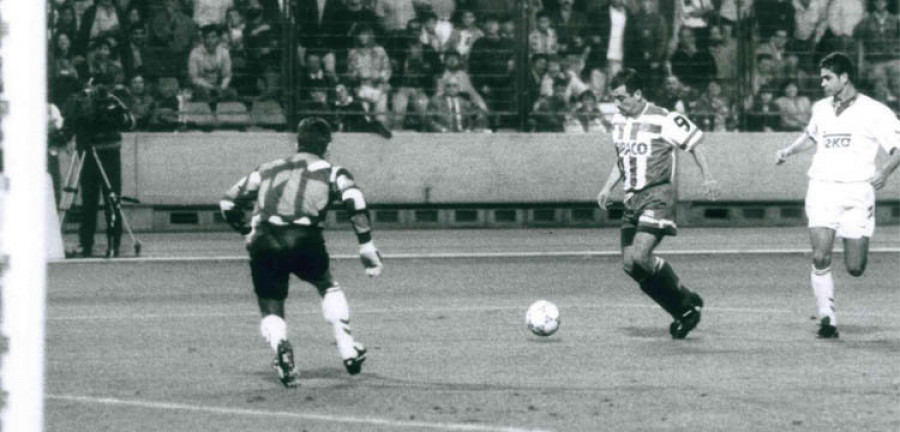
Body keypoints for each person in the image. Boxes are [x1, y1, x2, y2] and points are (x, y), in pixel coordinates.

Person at [219, 117, 384, 388]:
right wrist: (365, 244)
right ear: (328, 147)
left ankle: (281, 347)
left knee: (271, 302)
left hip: (265, 240)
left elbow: (227, 202)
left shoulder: (267, 168)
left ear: (297, 143)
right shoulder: (333, 171)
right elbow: (355, 200)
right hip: (305, 238)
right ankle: (347, 348)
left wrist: (247, 231)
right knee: (327, 285)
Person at [775, 52, 900, 338]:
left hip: (858, 192)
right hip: (822, 188)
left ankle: (852, 254)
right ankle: (827, 317)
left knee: (855, 267)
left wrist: (885, 172)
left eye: (827, 78)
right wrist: (788, 151)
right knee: (820, 255)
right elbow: (811, 136)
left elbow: (897, 147)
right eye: (821, 77)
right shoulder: (820, 108)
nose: (822, 83)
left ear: (845, 78)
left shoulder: (875, 111)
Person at [596, 68, 718, 339]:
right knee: (631, 265)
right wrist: (608, 187)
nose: (617, 104)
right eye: (614, 98)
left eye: (621, 97)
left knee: (641, 256)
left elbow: (696, 143)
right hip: (632, 199)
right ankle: (683, 307)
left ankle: (685, 303)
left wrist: (707, 176)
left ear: (638, 95)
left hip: (657, 195)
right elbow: (622, 159)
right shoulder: (618, 122)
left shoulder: (665, 118)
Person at [60, 73, 136, 258]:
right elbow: (72, 122)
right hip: (89, 154)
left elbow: (130, 123)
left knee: (112, 200)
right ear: (91, 85)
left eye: (107, 85)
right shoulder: (81, 101)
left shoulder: (115, 101)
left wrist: (114, 116)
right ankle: (86, 243)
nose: (102, 90)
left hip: (109, 153)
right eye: (99, 85)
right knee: (89, 201)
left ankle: (114, 242)